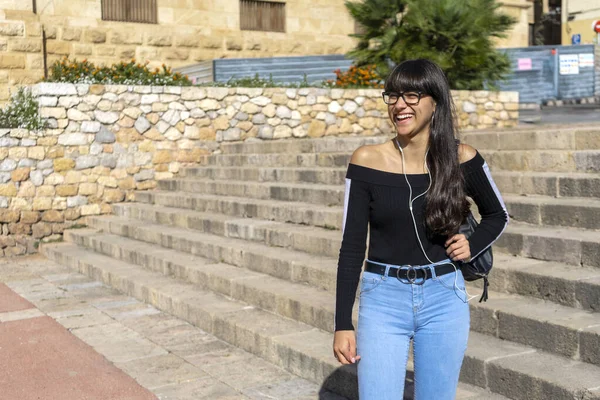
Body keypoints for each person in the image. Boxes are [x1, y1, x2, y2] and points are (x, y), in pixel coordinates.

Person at [332, 59, 509, 399]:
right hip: (382, 298)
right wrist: (342, 322)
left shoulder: (461, 158)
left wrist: (473, 245)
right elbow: (352, 246)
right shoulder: (366, 160)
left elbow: (497, 214)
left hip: (444, 296)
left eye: (412, 95)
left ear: (435, 101)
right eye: (393, 96)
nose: (400, 104)